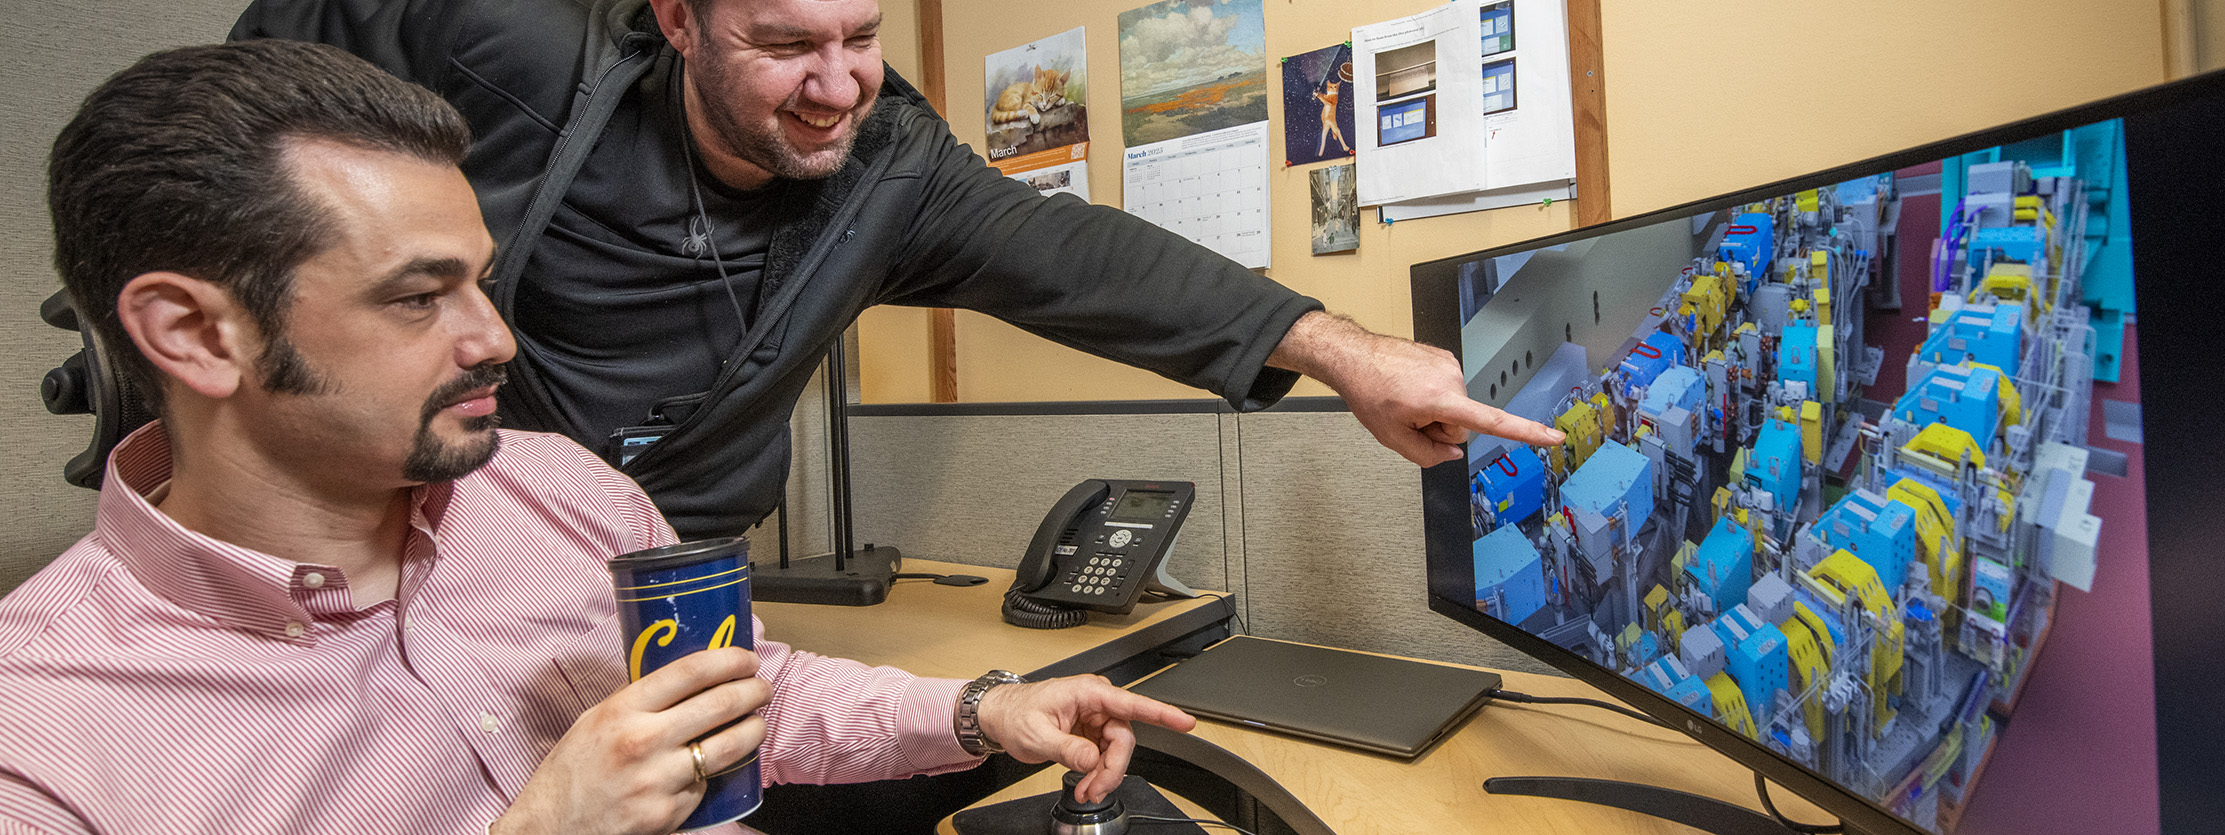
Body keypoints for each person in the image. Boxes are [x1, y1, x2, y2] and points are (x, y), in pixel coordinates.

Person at [0, 39, 1194, 835]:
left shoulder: (555, 489)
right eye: (417, 298)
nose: (495, 340)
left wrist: (979, 711)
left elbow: (736, 693)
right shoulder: (39, 741)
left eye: (480, 282)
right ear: (194, 334)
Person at [228, 0, 1566, 540]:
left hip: (680, 566)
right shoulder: (505, 46)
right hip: (436, 542)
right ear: (678, 20)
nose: (836, 86)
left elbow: (1082, 257)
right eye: (784, 46)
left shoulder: (891, 169)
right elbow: (264, 75)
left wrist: (1345, 352)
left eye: (861, 36)